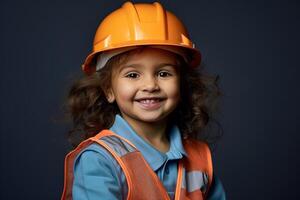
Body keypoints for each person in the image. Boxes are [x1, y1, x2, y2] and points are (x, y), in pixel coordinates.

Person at [61, 1, 226, 200]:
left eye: (164, 73)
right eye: (132, 75)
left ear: (182, 84)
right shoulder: (99, 160)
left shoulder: (199, 157)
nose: (150, 85)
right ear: (108, 89)